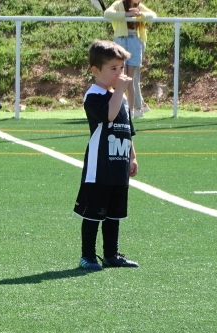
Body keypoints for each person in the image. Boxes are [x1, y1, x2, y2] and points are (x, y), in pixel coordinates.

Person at [75, 40, 139, 271]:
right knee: (94, 213)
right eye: (113, 69)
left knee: (114, 214)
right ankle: (87, 256)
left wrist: (132, 156)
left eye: (121, 68)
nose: (119, 73)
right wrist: (120, 90)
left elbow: (127, 129)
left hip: (119, 164)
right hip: (99, 167)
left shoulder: (119, 97)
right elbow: (109, 117)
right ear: (95, 71)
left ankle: (112, 254)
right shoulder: (94, 95)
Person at [104, 0, 156, 118]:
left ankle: (132, 111)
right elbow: (107, 13)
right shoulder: (119, 4)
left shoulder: (139, 6)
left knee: (130, 79)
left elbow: (152, 15)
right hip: (121, 39)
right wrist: (126, 15)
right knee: (120, 77)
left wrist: (140, 15)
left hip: (135, 41)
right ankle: (126, 108)